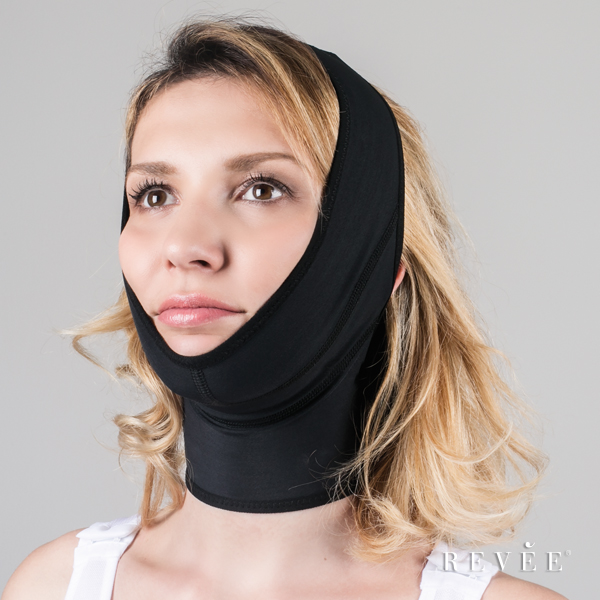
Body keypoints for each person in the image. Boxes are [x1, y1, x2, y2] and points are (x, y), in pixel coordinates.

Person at [3, 17, 566, 600]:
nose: (185, 246)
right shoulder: (51, 586)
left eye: (262, 189)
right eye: (155, 194)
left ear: (377, 264)